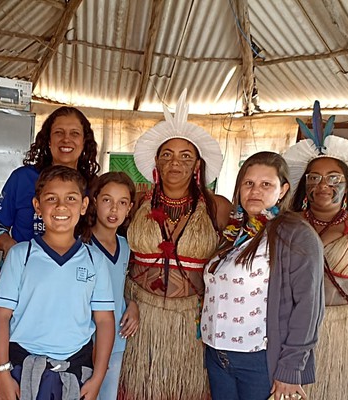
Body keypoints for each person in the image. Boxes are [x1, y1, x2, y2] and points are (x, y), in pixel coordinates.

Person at [118, 89, 232, 400]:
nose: (175, 163)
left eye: (185, 156)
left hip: (192, 320)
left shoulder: (217, 207)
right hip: (141, 316)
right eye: (167, 154)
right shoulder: (139, 203)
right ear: (155, 160)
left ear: (198, 164)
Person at [202, 151, 324, 400]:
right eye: (249, 183)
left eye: (266, 184)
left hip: (259, 358)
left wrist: (291, 368)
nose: (255, 191)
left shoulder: (295, 234)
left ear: (283, 189)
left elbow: (308, 307)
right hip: (218, 354)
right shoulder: (236, 231)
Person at [0, 165, 115, 400]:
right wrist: (3, 374)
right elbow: (0, 316)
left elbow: (105, 321)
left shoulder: (94, 260)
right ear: (37, 206)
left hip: (76, 371)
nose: (61, 206)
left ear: (84, 205)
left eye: (71, 198)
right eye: (51, 198)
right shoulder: (21, 255)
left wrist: (98, 377)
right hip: (20, 369)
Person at [283, 101, 348, 399]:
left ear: (347, 185)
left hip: (344, 330)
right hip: (294, 329)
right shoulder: (286, 225)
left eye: (333, 178)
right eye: (314, 177)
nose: (323, 184)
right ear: (304, 184)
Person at [0, 106, 100, 257]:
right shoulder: (23, 178)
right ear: (48, 140)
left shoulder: (94, 186)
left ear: (84, 142)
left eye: (75, 133)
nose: (66, 139)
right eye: (58, 133)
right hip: (24, 271)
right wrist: (10, 246)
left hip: (74, 273)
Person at [84, 172, 139, 400]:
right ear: (94, 201)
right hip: (84, 342)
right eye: (107, 200)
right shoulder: (81, 245)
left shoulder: (125, 246)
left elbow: (117, 286)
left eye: (122, 202)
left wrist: (132, 304)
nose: (114, 209)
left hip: (116, 341)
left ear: (130, 208)